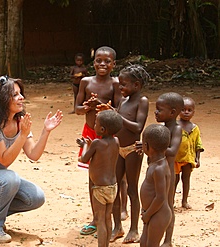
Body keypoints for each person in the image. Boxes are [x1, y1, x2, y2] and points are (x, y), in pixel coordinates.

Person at [0, 76, 63, 244]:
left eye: (20, 93)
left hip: (0, 180)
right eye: (15, 95)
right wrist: (22, 135)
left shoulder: (19, 122)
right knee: (10, 177)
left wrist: (46, 131)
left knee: (36, 197)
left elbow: (33, 155)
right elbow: (4, 160)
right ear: (2, 100)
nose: (21, 97)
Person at [75, 46, 121, 235]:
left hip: (109, 135)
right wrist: (87, 107)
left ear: (114, 64)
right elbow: (77, 108)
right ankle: (96, 219)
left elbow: (119, 111)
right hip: (90, 134)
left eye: (107, 61)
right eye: (98, 61)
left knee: (111, 176)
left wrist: (105, 108)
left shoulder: (116, 83)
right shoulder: (85, 82)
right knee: (92, 177)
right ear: (93, 63)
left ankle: (111, 219)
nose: (102, 64)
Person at [107, 64, 150, 243]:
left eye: (124, 84)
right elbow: (117, 122)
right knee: (116, 188)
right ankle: (117, 227)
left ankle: (134, 229)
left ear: (137, 85)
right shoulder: (123, 101)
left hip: (133, 149)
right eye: (119, 84)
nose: (120, 88)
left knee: (132, 189)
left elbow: (138, 127)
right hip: (118, 148)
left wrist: (117, 117)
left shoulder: (142, 101)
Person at [77, 110, 123, 247]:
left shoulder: (97, 143)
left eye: (96, 123)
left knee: (101, 220)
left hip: (100, 189)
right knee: (108, 218)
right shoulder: (116, 141)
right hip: (112, 187)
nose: (94, 125)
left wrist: (85, 145)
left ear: (102, 129)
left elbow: (84, 159)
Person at [153, 92, 184, 247]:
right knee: (157, 202)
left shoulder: (176, 129)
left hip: (169, 173)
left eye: (159, 109)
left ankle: (168, 240)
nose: (155, 112)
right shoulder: (163, 128)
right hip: (159, 171)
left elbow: (172, 151)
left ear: (172, 112)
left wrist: (154, 146)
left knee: (168, 205)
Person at [140, 124, 172, 247]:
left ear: (147, 146)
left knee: (151, 245)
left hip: (158, 214)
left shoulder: (159, 168)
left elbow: (160, 197)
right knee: (144, 243)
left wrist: (147, 215)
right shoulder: (155, 163)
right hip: (152, 212)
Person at [175, 97, 204, 209]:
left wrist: (197, 158)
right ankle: (170, 200)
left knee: (186, 179)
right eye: (183, 109)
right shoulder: (175, 126)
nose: (186, 112)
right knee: (174, 180)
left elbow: (198, 144)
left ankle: (184, 201)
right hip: (175, 159)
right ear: (178, 110)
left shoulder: (195, 128)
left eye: (189, 110)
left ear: (193, 112)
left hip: (189, 158)